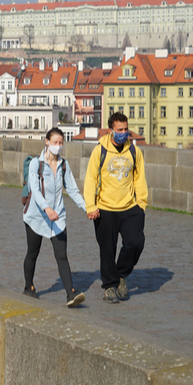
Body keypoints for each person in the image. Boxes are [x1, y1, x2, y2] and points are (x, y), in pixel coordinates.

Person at [83, 112, 148, 304]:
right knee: (107, 249)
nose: (124, 133)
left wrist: (141, 203)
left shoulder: (134, 151)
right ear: (111, 131)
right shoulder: (100, 150)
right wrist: (91, 206)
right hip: (105, 207)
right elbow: (90, 179)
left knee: (135, 243)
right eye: (120, 130)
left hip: (130, 206)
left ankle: (121, 274)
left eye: (126, 129)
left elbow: (140, 178)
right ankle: (109, 286)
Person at [23, 127, 88, 308]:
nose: (58, 146)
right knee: (32, 253)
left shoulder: (63, 165)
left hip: (57, 216)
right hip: (36, 216)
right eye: (55, 143)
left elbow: (73, 190)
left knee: (62, 255)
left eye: (61, 143)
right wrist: (46, 208)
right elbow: (34, 190)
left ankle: (70, 294)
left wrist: (87, 208)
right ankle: (28, 287)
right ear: (47, 142)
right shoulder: (37, 163)